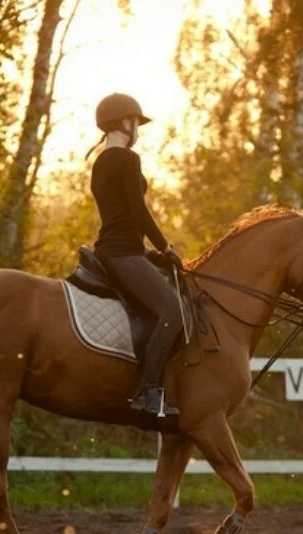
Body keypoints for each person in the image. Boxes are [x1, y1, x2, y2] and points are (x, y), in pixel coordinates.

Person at [89, 93, 183, 422]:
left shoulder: (100, 161)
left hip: (117, 249)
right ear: (124, 122)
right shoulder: (127, 159)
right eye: (136, 124)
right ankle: (149, 391)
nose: (138, 131)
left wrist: (150, 254)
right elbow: (137, 212)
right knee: (173, 310)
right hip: (123, 252)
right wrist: (165, 247)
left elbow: (119, 217)